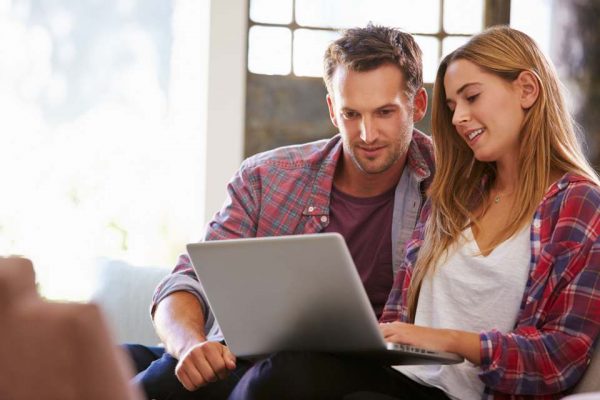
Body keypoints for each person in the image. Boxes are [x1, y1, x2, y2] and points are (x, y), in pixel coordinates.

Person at [229, 26, 600, 400]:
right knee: (278, 373)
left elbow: (561, 356)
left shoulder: (579, 203)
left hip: (468, 395)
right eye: (453, 106)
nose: (457, 119)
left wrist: (448, 341)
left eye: (471, 97)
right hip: (402, 379)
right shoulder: (454, 192)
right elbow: (397, 317)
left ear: (526, 89)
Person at [126, 23, 433, 400]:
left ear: (418, 105)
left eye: (385, 112)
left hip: (365, 371)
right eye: (351, 114)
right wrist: (190, 345)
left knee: (283, 375)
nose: (367, 134)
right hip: (247, 355)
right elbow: (186, 280)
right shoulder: (266, 177)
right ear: (332, 111)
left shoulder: (452, 184)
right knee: (142, 375)